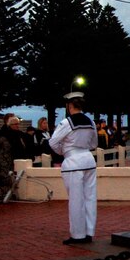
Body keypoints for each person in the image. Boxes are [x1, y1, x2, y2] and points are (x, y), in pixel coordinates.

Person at [49, 92, 98, 245]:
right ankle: (89, 232)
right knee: (90, 197)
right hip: (89, 160)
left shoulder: (66, 123)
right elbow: (94, 144)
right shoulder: (91, 122)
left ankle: (78, 235)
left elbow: (53, 142)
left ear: (69, 106)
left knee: (76, 200)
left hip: (73, 162)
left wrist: (65, 151)